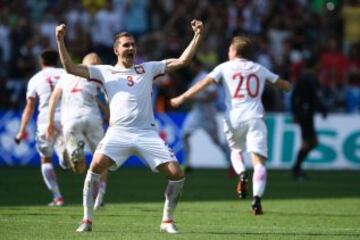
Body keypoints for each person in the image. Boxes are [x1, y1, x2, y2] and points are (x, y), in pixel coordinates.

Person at [55, 19, 204, 233]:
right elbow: (69, 68)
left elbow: (182, 61)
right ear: (116, 50)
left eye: (133, 44)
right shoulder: (104, 71)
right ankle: (86, 220)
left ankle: (167, 220)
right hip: (118, 133)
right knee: (95, 167)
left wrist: (197, 35)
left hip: (147, 134)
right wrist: (60, 40)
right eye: (126, 45)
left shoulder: (148, 69)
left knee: (177, 174)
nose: (131, 48)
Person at [171, 36, 291, 215]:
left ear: (234, 51)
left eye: (229, 49)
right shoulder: (259, 69)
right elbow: (284, 85)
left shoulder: (224, 67)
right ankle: (257, 199)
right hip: (255, 117)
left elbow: (203, 83)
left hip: (233, 118)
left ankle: (241, 173)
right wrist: (287, 85)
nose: (228, 52)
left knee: (236, 151)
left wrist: (182, 97)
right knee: (259, 164)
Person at [46, 53, 110, 209]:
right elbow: (106, 95)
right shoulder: (96, 75)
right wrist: (110, 112)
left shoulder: (67, 74)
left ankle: (73, 154)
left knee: (78, 169)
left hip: (70, 120)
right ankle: (99, 198)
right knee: (102, 160)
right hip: (92, 118)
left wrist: (49, 122)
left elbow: (54, 97)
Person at [15, 49, 68, 206]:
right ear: (57, 61)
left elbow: (30, 107)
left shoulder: (35, 79)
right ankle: (66, 157)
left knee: (45, 159)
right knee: (65, 159)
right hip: (66, 117)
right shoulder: (67, 73)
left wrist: (21, 130)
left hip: (46, 121)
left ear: (41, 62)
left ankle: (57, 197)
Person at [180, 58, 230, 173]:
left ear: (198, 66)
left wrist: (194, 97)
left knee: (216, 141)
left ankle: (230, 158)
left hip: (208, 114)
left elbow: (213, 95)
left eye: (192, 66)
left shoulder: (206, 78)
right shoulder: (195, 79)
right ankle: (187, 164)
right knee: (184, 135)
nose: (190, 68)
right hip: (197, 112)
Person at [291, 57, 327, 180]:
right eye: (319, 65)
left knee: (311, 142)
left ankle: (297, 168)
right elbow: (316, 96)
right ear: (315, 65)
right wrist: (323, 109)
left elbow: (294, 96)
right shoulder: (312, 78)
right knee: (309, 142)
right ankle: (297, 169)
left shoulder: (302, 77)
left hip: (303, 114)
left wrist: (295, 113)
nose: (320, 67)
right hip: (306, 114)